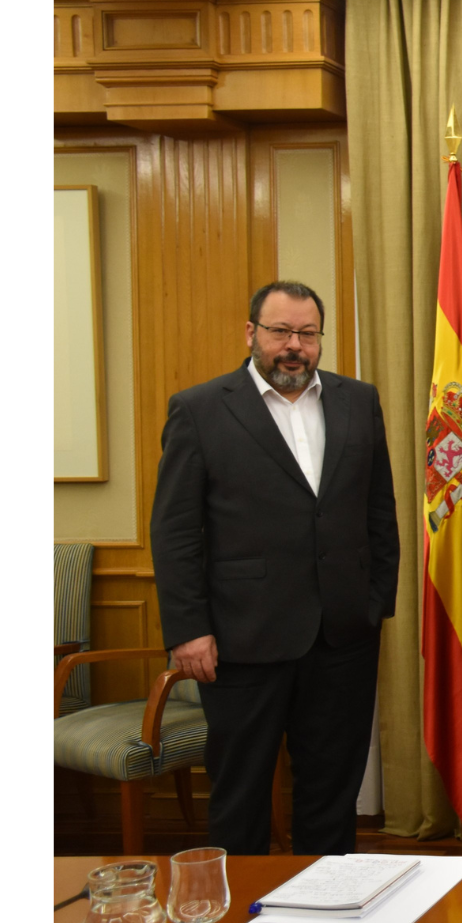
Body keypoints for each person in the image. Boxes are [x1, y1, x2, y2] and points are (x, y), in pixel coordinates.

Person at [150, 281, 399, 855]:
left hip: (343, 638)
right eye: (280, 331)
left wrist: (374, 603)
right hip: (242, 640)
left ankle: (326, 922)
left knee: (331, 792)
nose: (294, 345)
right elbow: (176, 531)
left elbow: (378, 510)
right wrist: (188, 629)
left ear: (319, 339)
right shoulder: (201, 408)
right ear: (251, 334)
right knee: (240, 795)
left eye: (307, 334)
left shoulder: (357, 400)